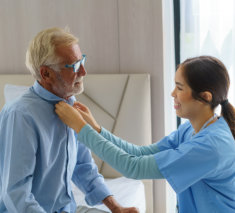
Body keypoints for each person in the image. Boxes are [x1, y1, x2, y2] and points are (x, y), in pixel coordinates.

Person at [55, 56, 235, 213]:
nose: (173, 93)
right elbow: (139, 154)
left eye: (179, 88)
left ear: (205, 97)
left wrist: (80, 128)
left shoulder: (211, 146)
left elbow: (134, 167)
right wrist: (95, 128)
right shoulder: (191, 130)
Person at [0, 27, 139, 213]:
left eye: (82, 61)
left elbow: (83, 166)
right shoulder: (20, 115)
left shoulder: (69, 104)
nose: (84, 71)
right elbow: (16, 194)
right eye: (73, 66)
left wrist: (116, 208)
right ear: (46, 74)